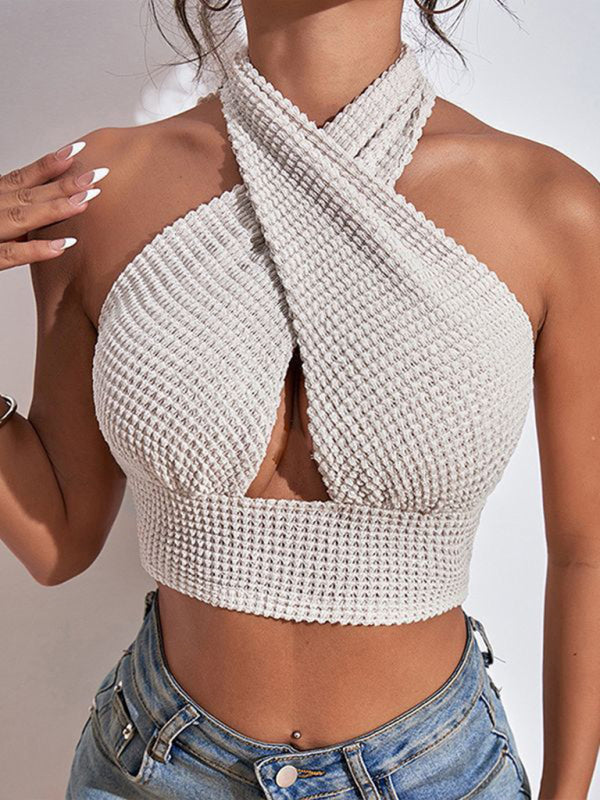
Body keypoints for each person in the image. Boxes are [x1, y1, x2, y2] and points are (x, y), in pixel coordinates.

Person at [1, 0, 598, 797]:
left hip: (438, 774)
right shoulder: (99, 190)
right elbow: (58, 541)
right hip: (153, 768)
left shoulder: (551, 207)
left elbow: (588, 550)